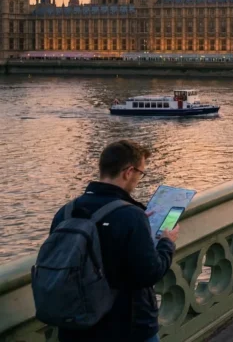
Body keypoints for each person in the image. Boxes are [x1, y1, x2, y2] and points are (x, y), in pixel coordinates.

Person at [45, 140, 177, 342]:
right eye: (141, 173)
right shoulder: (131, 216)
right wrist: (167, 243)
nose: (139, 179)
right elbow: (150, 272)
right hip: (127, 327)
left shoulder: (65, 212)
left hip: (75, 325)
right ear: (128, 172)